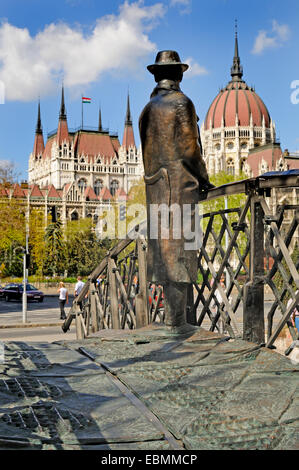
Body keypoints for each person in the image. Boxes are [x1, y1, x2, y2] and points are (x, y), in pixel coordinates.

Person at [139, 50, 213, 334]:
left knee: (163, 249)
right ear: (179, 74)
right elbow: (190, 149)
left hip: (155, 187)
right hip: (180, 186)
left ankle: (172, 318)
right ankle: (177, 322)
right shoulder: (182, 103)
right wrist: (204, 178)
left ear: (157, 75)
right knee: (180, 249)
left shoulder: (148, 109)